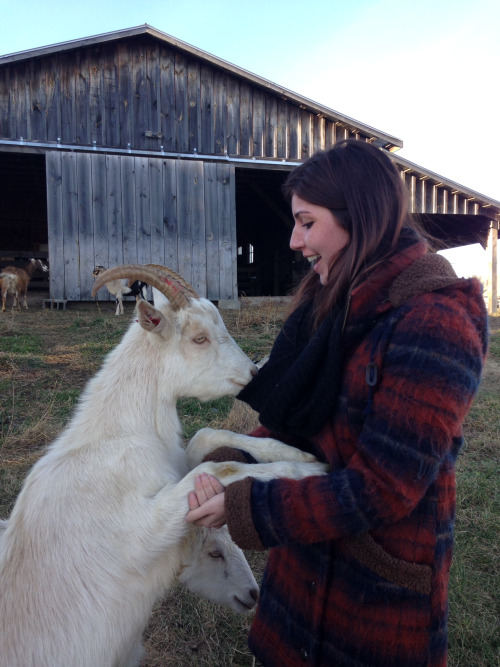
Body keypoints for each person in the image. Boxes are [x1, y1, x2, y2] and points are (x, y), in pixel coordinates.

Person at [185, 139, 489, 667]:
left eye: (307, 222)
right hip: (300, 578)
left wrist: (250, 504)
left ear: (359, 218)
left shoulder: (434, 324)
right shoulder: (333, 308)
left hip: (371, 600)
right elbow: (302, 430)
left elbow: (384, 489)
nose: (294, 240)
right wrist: (232, 463)